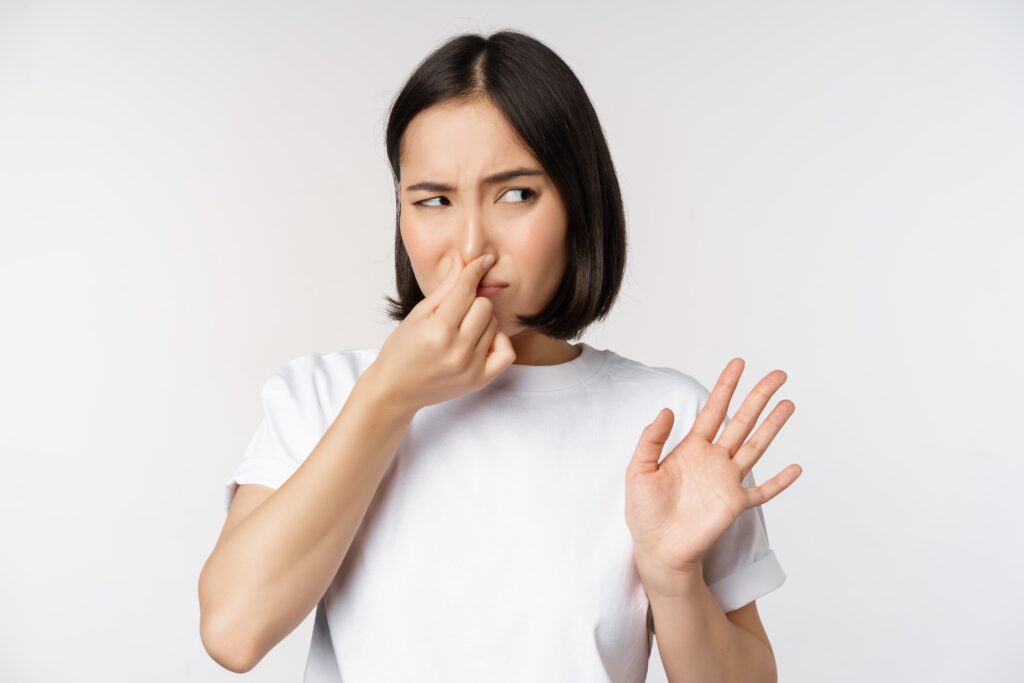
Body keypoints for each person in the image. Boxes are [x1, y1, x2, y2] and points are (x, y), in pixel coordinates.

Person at [198, 29, 801, 683]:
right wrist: (390, 394)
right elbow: (234, 631)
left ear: (579, 201)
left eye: (516, 194)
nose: (470, 243)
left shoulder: (667, 423)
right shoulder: (321, 394)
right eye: (433, 200)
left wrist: (673, 577)